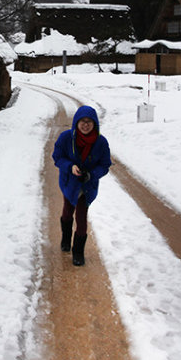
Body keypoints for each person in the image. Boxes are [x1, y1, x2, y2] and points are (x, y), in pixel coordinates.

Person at [51, 105, 111, 266]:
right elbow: (57, 156)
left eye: (89, 122)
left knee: (82, 217)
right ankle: (65, 238)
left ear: (95, 124)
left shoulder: (101, 142)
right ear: (76, 122)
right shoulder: (66, 138)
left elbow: (105, 165)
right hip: (69, 183)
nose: (85, 125)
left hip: (87, 185)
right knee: (67, 211)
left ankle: (78, 252)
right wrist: (70, 166)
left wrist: (92, 175)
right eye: (82, 121)